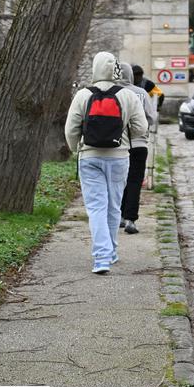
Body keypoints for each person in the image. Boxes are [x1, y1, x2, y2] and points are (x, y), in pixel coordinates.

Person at [65, 52, 148, 274]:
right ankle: (110, 252)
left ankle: (101, 258)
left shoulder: (83, 95)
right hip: (119, 157)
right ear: (115, 70)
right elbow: (141, 128)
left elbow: (70, 129)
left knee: (96, 208)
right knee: (113, 206)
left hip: (89, 157)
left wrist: (77, 148)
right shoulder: (127, 96)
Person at [118, 61, 157, 234]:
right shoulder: (141, 93)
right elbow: (151, 117)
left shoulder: (112, 93)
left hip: (118, 145)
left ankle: (117, 215)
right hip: (139, 144)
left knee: (119, 181)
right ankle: (130, 219)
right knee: (135, 181)